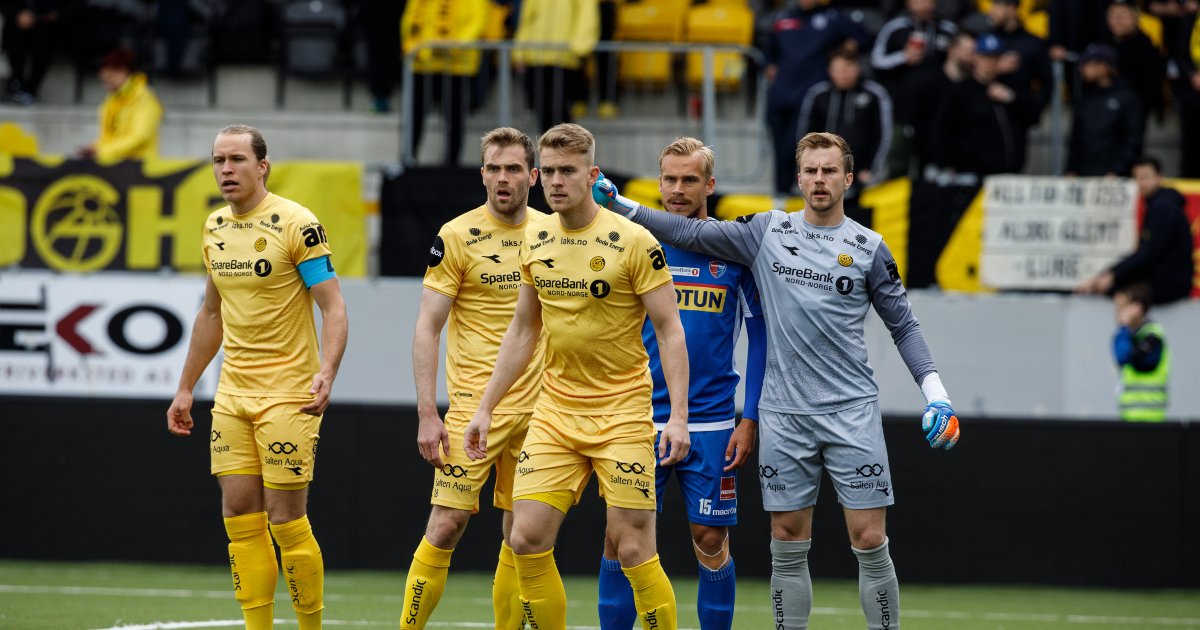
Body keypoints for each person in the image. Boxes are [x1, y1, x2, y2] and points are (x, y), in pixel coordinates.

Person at [594, 131, 961, 630]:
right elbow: (692, 235)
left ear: (848, 178)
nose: (819, 179)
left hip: (850, 410)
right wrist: (623, 206)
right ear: (798, 176)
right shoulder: (766, 232)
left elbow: (904, 324)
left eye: (829, 170)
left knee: (870, 540)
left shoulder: (869, 247)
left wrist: (936, 395)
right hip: (782, 417)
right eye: (810, 170)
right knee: (785, 540)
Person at [464, 122, 691, 630]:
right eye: (547, 171)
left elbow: (670, 330)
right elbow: (524, 328)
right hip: (556, 413)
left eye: (568, 171)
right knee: (524, 538)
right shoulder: (536, 236)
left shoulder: (634, 241)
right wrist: (485, 407)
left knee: (632, 547)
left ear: (591, 175)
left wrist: (678, 417)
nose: (555, 181)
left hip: (623, 414)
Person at [166, 124, 349, 630]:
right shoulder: (215, 227)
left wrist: (327, 370)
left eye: (237, 159)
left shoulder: (297, 224)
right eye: (218, 160)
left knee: (286, 519)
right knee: (239, 518)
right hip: (232, 395)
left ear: (261, 166)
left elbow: (333, 308)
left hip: (289, 394)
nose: (226, 169)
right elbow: (210, 314)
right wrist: (185, 387)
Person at [596, 138, 767, 630]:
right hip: (637, 417)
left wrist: (749, 417)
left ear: (709, 185)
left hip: (713, 421)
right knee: (619, 538)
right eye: (668, 179)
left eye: (688, 180)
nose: (675, 189)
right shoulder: (631, 243)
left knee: (710, 539)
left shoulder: (734, 252)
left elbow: (759, 341)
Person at [401, 127, 552, 629]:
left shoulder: (554, 233)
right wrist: (428, 412)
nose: (503, 178)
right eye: (494, 168)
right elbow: (427, 327)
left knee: (523, 535)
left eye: (513, 168)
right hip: (471, 409)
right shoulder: (457, 234)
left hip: (541, 411)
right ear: (482, 174)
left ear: (533, 175)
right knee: (446, 525)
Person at [763, 0, 867, 201]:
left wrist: (847, 47)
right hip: (781, 95)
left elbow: (863, 38)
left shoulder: (833, 17)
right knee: (779, 145)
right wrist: (770, 66)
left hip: (809, 97)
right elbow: (770, 53)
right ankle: (781, 191)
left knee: (799, 145)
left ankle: (800, 188)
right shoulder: (784, 18)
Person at [1075, 156, 1195, 304]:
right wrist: (1110, 274)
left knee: (1117, 291)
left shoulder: (1163, 208)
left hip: (1170, 284)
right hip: (1168, 279)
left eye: (1145, 177)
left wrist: (1112, 275)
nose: (1141, 183)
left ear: (1160, 177)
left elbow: (1147, 254)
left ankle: (1131, 326)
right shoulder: (1160, 204)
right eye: (1137, 177)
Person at [870, 0, 958, 178]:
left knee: (932, 164)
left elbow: (964, 58)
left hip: (938, 110)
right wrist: (903, 57)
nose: (923, 4)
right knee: (899, 160)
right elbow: (876, 60)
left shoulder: (948, 29)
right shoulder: (896, 27)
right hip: (903, 109)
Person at [401, 0, 487, 165]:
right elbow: (410, 20)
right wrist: (414, 48)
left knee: (454, 118)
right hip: (424, 65)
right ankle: (408, 161)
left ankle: (451, 164)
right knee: (415, 116)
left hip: (457, 67)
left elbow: (477, 21)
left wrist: (454, 47)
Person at [798, 48, 893, 191]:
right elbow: (805, 134)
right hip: (823, 174)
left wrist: (871, 170)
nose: (845, 74)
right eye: (839, 69)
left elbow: (883, 135)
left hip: (863, 175)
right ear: (830, 71)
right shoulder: (818, 95)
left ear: (858, 68)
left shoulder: (874, 94)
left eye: (849, 68)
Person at [512, 0, 600, 133]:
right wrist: (519, 52)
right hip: (535, 57)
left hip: (564, 59)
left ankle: (566, 149)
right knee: (541, 110)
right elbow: (527, 20)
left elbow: (587, 16)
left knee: (559, 111)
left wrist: (579, 46)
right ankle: (551, 150)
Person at [987, 0, 1053, 172]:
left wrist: (1028, 107)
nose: (992, 11)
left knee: (1013, 169)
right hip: (983, 117)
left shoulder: (1033, 44)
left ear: (1012, 9)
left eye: (997, 6)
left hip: (1017, 120)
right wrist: (995, 69)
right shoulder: (985, 38)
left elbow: (1047, 85)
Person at [1066, 43, 1144, 177]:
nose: (1083, 69)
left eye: (1088, 64)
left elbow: (1133, 139)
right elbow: (1076, 137)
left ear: (1104, 66)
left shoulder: (1127, 98)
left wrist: (1118, 170)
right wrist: (1071, 169)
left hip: (1114, 177)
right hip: (1084, 174)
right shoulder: (1084, 98)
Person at [77, 48, 163, 161]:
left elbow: (140, 137)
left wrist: (102, 151)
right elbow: (109, 136)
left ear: (123, 71)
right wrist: (95, 147)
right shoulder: (111, 100)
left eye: (110, 78)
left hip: (139, 167)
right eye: (104, 80)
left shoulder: (144, 98)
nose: (106, 84)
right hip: (115, 164)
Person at [1111, 282, 1171, 422]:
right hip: (1129, 417)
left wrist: (1123, 328)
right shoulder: (1130, 336)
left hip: (1150, 419)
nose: (1116, 313)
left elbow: (1125, 356)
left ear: (1136, 308)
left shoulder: (1152, 336)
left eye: (1121, 308)